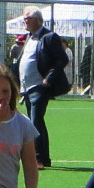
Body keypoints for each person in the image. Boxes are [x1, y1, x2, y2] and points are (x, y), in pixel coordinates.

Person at [16, 10, 71, 169]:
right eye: (24, 18)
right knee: (36, 121)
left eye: (28, 18)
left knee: (35, 121)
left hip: (39, 86)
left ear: (37, 20)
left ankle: (38, 159)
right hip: (27, 87)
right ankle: (44, 158)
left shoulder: (49, 37)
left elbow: (62, 59)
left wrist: (48, 79)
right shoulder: (29, 37)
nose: (25, 21)